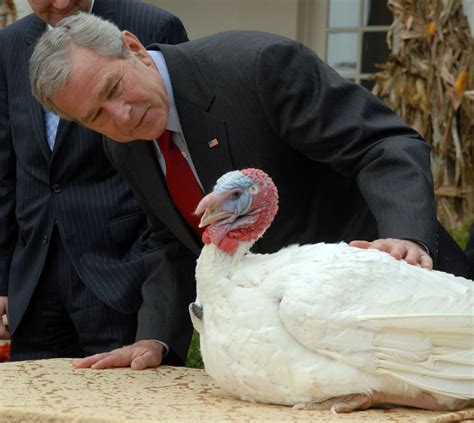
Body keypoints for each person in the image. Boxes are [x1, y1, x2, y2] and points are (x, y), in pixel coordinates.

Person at [29, 12, 472, 369]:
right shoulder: (123, 148)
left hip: (409, 306)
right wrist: (154, 337)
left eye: (114, 88)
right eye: (95, 116)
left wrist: (404, 239)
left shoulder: (258, 66)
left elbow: (380, 144)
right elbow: (171, 238)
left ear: (133, 49)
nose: (120, 118)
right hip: (303, 354)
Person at [0, 1, 189, 366]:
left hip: (124, 276)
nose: (59, 2)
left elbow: (178, 152)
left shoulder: (153, 25)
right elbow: (6, 164)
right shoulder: (9, 43)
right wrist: (3, 276)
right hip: (34, 281)